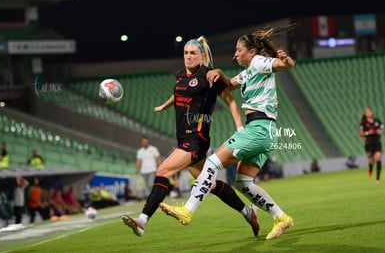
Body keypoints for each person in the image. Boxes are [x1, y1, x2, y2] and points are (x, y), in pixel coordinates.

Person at [160, 24, 297, 240]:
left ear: (251, 52)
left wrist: (286, 59)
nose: (235, 54)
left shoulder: (260, 62)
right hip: (265, 130)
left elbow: (284, 65)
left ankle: (187, 210)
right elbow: (230, 84)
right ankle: (281, 217)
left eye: (238, 50)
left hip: (259, 128)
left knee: (213, 162)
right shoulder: (248, 72)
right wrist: (220, 73)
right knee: (243, 183)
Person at [121, 35, 260, 238]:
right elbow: (178, 94)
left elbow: (230, 101)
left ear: (202, 55)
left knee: (163, 170)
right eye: (186, 53)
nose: (188, 56)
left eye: (193, 53)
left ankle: (142, 221)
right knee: (210, 184)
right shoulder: (180, 76)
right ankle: (248, 211)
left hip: (196, 140)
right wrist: (164, 106)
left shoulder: (208, 76)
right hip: (183, 138)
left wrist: (240, 129)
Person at [359, 107, 384, 184]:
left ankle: (378, 178)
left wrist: (378, 131)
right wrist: (368, 133)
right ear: (365, 114)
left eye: (370, 111)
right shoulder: (363, 123)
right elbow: (361, 133)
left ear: (372, 112)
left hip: (377, 142)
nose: (369, 113)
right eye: (367, 112)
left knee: (378, 157)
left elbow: (382, 130)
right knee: (371, 160)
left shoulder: (377, 121)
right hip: (368, 143)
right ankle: (370, 169)